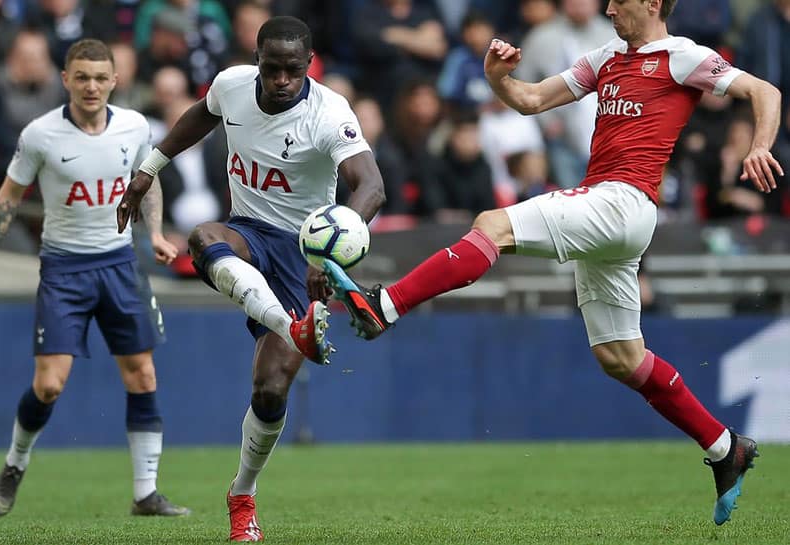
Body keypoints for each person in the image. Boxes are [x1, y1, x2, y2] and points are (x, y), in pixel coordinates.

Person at [323, 0, 782, 527]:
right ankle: (725, 447)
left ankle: (387, 304)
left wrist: (760, 146)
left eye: (621, 0)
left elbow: (764, 91)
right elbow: (533, 98)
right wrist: (500, 78)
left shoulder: (681, 56)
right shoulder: (607, 57)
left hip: (624, 201)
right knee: (620, 356)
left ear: (653, 3)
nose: (609, 8)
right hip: (610, 212)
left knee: (492, 224)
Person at [116, 16, 385, 542]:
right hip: (247, 232)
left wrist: (326, 254)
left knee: (269, 391)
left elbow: (371, 187)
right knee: (201, 237)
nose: (281, 80)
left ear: (308, 65)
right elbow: (202, 115)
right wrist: (150, 167)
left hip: (300, 248)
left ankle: (242, 494)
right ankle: (290, 326)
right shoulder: (231, 85)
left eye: (291, 70)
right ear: (256, 59)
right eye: (271, 68)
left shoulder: (329, 113)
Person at [0, 39, 190, 519]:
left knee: (142, 373)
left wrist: (155, 235)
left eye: (100, 78)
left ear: (115, 81)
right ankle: (15, 463)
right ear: (65, 79)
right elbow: (7, 199)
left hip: (120, 264)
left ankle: (146, 493)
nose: (91, 86)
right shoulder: (40, 135)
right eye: (81, 77)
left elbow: (146, 182)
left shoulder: (133, 127)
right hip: (64, 269)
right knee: (49, 385)